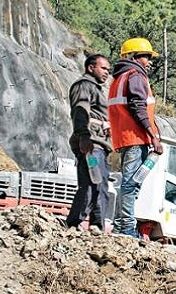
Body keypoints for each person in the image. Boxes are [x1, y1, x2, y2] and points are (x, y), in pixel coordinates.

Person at [108, 38, 163, 238]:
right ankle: (127, 229)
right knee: (131, 184)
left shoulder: (118, 78)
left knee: (129, 183)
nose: (148, 61)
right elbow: (138, 108)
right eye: (146, 56)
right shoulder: (135, 75)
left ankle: (121, 225)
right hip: (136, 138)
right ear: (133, 56)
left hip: (125, 138)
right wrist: (153, 136)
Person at [66, 54, 112, 232]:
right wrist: (84, 136)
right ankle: (75, 222)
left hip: (99, 145)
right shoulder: (84, 86)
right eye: (103, 68)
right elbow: (80, 111)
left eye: (108, 69)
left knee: (100, 183)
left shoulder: (97, 89)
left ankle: (96, 224)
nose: (107, 72)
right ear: (90, 68)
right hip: (91, 145)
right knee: (92, 182)